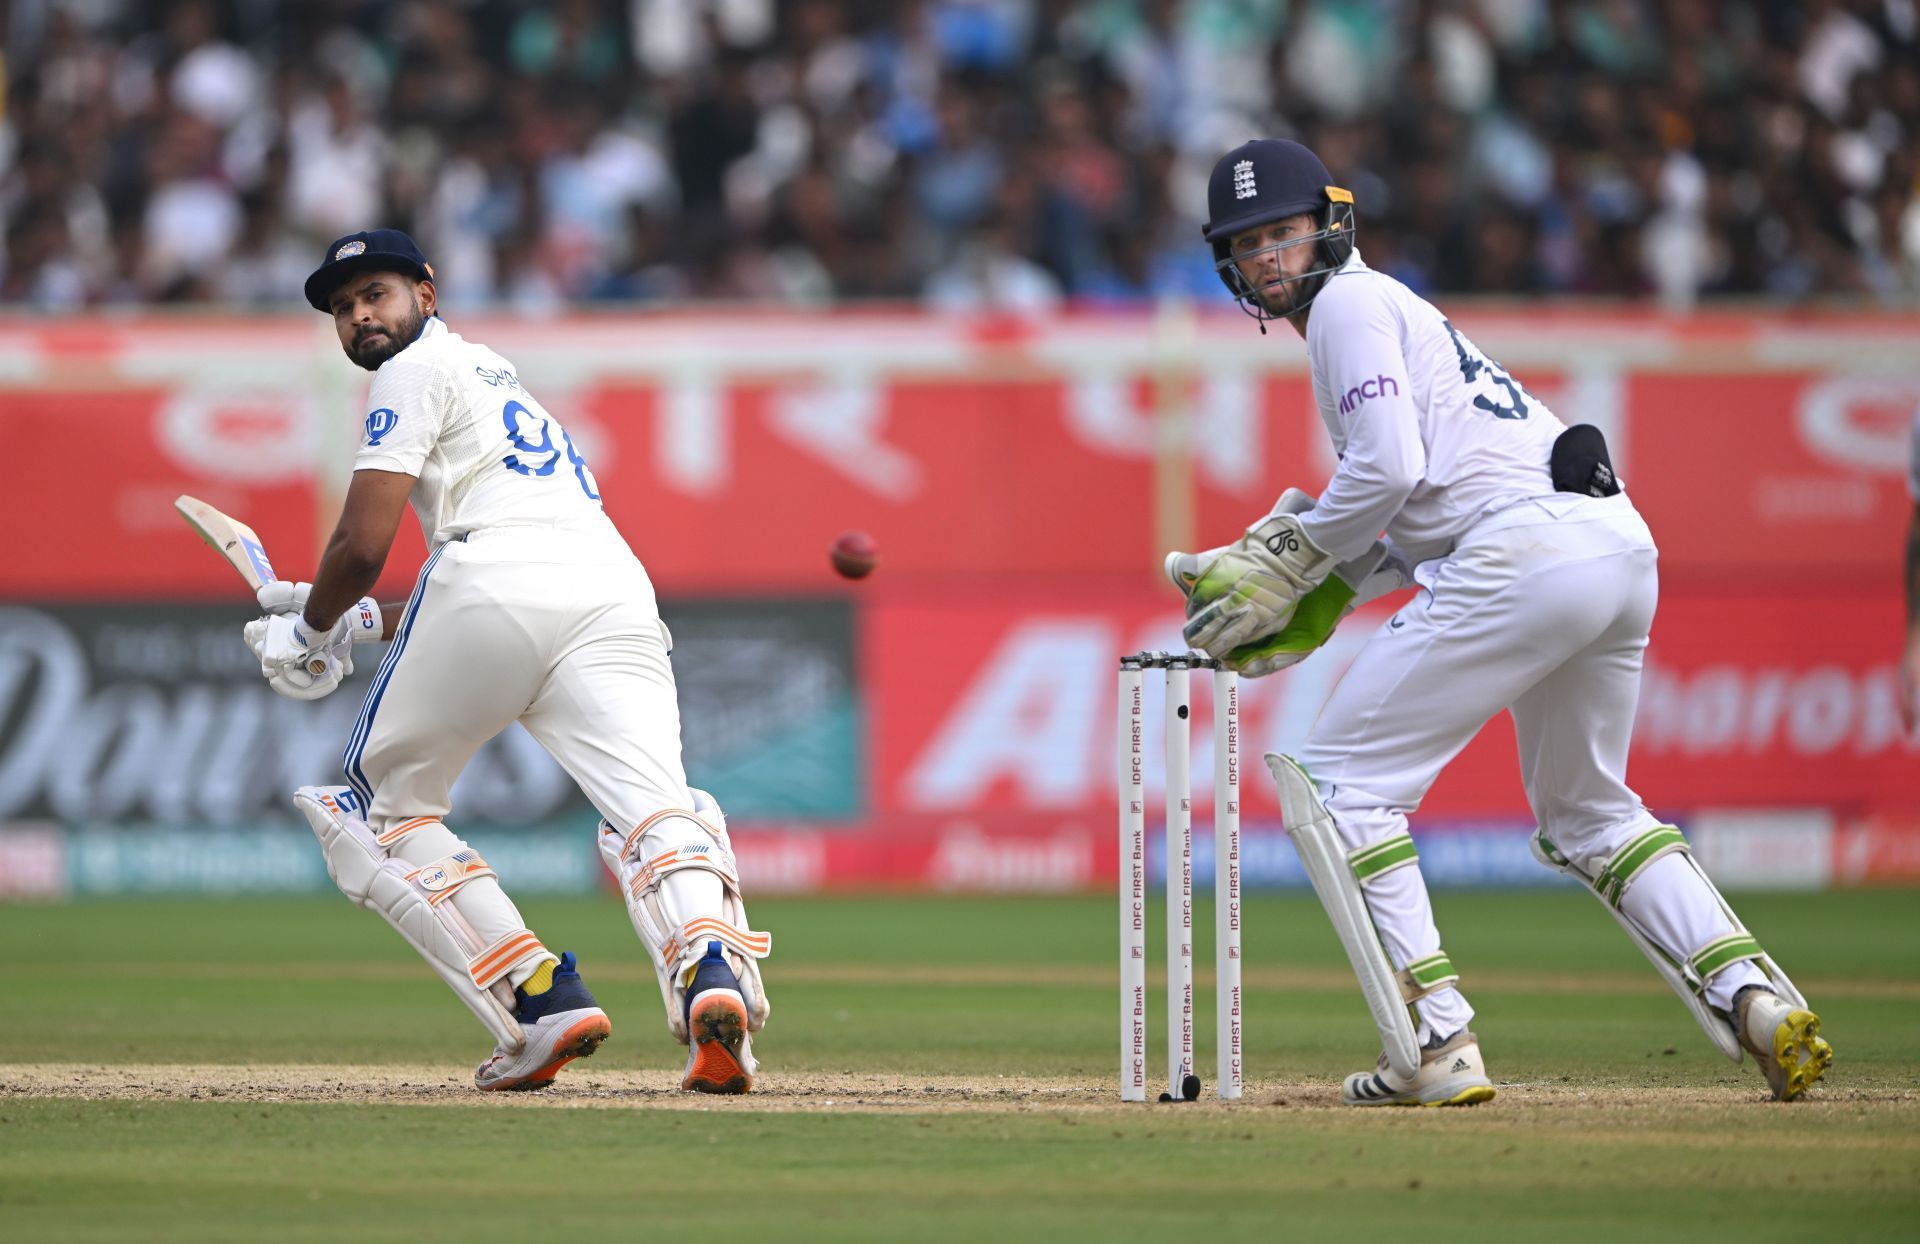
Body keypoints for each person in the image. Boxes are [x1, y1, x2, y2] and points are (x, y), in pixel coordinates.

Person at [1164, 140, 1832, 1105]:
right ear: (1229, 263)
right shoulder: (1390, 311)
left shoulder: (1348, 305)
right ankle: (1757, 999)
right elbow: (1420, 506)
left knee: (1344, 787)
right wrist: (1330, 579)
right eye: (1249, 244)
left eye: (1283, 232)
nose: (1270, 257)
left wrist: (1298, 553)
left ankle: (1437, 1045)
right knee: (1589, 811)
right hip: (1610, 546)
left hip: (1525, 553)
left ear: (1330, 222)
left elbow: (1389, 473)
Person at [246, 229, 771, 1093]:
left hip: (493, 578)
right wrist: (351, 618)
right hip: (611, 587)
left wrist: (309, 631)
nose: (359, 316)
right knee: (658, 809)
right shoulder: (493, 373)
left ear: (427, 292)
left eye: (374, 293)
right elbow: (491, 567)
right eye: (343, 308)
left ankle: (540, 999)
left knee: (379, 810)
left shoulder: (410, 372)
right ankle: (711, 969)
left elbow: (366, 541)